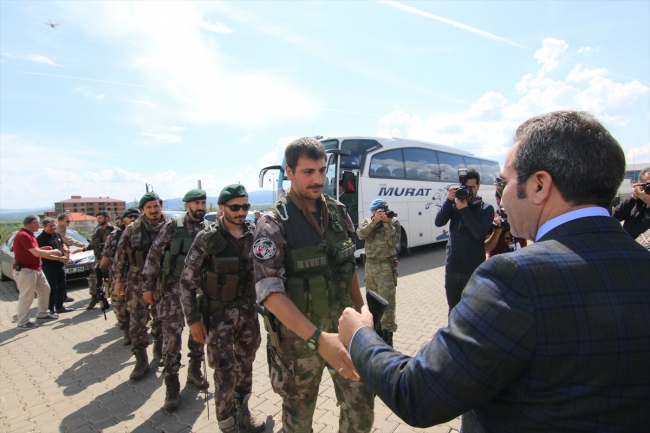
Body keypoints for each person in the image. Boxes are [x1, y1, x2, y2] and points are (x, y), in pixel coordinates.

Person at [338, 110, 650, 432]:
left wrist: (360, 335)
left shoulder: (515, 277)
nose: (499, 197)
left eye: (502, 182)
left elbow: (419, 394)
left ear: (540, 185)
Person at [252, 137, 374, 433]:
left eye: (322, 170)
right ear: (290, 173)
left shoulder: (337, 211)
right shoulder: (272, 223)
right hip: (299, 342)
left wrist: (363, 312)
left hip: (344, 329)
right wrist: (319, 339)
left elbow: (347, 266)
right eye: (308, 172)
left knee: (362, 407)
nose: (318, 179)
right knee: (299, 419)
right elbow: (270, 294)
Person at [180, 184, 264, 432]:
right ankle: (228, 425)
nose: (242, 212)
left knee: (246, 366)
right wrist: (193, 319)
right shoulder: (207, 239)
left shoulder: (253, 234)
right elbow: (186, 281)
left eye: (245, 206)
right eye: (235, 207)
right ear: (223, 208)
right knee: (224, 372)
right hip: (218, 318)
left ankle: (242, 412)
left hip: (248, 314)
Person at [142, 189, 210, 412]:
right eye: (196, 203)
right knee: (171, 341)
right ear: (187, 205)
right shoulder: (173, 227)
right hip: (172, 294)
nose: (200, 207)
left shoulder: (208, 229)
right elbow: (154, 255)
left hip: (199, 294)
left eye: (203, 202)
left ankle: (194, 371)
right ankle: (171, 387)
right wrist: (148, 285)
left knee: (198, 337)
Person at [113, 192, 168, 381]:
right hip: (137, 280)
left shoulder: (171, 227)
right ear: (143, 210)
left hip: (163, 281)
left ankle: (159, 351)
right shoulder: (132, 230)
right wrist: (118, 281)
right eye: (149, 207)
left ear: (161, 207)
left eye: (156, 206)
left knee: (161, 319)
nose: (153, 210)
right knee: (137, 322)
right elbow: (120, 257)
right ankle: (141, 359)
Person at [434, 168, 494, 312]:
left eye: (472, 187)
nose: (469, 191)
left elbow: (479, 234)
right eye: (466, 187)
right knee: (453, 310)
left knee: (473, 310)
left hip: (472, 271)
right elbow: (438, 222)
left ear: (478, 186)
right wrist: (448, 201)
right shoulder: (455, 205)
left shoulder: (486, 208)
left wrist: (465, 210)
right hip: (452, 269)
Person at [356, 199, 400, 346]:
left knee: (387, 303)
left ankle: (388, 338)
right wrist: (374, 222)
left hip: (385, 267)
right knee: (372, 302)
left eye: (381, 211)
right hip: (370, 267)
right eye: (376, 212)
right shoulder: (367, 222)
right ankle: (377, 332)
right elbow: (361, 234)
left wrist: (387, 223)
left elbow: (394, 242)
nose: (379, 214)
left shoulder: (393, 223)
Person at [99, 208, 140, 345]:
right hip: (118, 279)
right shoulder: (114, 236)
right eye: (129, 217)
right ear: (123, 220)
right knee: (119, 308)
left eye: (136, 216)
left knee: (139, 310)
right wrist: (100, 272)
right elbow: (105, 258)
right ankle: (126, 331)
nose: (133, 219)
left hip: (138, 280)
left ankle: (140, 332)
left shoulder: (143, 233)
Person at [13, 215, 62, 328]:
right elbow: (36, 253)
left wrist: (44, 249)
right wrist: (53, 252)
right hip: (26, 271)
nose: (40, 225)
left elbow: (33, 251)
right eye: (39, 223)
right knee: (27, 297)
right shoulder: (24, 235)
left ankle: (42, 314)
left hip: (36, 269)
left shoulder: (29, 235)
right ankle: (23, 322)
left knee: (45, 290)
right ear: (34, 223)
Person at [36, 218, 75, 315]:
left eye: (54, 225)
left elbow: (62, 244)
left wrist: (66, 250)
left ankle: (59, 306)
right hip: (49, 267)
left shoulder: (56, 234)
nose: (53, 228)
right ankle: (50, 310)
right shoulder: (41, 239)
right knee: (52, 288)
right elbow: (44, 254)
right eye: (50, 226)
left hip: (60, 265)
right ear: (44, 227)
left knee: (62, 286)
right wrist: (59, 258)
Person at [484, 191, 527, 257]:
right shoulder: (492, 218)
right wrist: (496, 233)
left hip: (519, 259)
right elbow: (487, 248)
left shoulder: (519, 217)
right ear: (497, 199)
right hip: (498, 262)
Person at [612, 166, 650, 239]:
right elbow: (614, 217)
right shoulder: (635, 202)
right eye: (647, 185)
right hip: (628, 246)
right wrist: (632, 198)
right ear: (640, 184)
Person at [87, 210, 115, 310]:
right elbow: (92, 244)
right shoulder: (96, 231)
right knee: (93, 279)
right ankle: (95, 298)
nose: (99, 220)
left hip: (111, 259)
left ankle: (114, 299)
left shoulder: (114, 230)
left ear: (107, 218)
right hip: (99, 258)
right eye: (97, 218)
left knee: (113, 279)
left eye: (101, 218)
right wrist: (83, 248)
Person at [56, 213, 85, 303]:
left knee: (63, 279)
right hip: (59, 257)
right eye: (67, 221)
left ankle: (63, 296)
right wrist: (82, 245)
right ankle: (60, 298)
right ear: (60, 221)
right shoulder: (59, 231)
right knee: (60, 280)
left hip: (64, 255)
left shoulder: (63, 229)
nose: (69, 222)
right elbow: (68, 239)